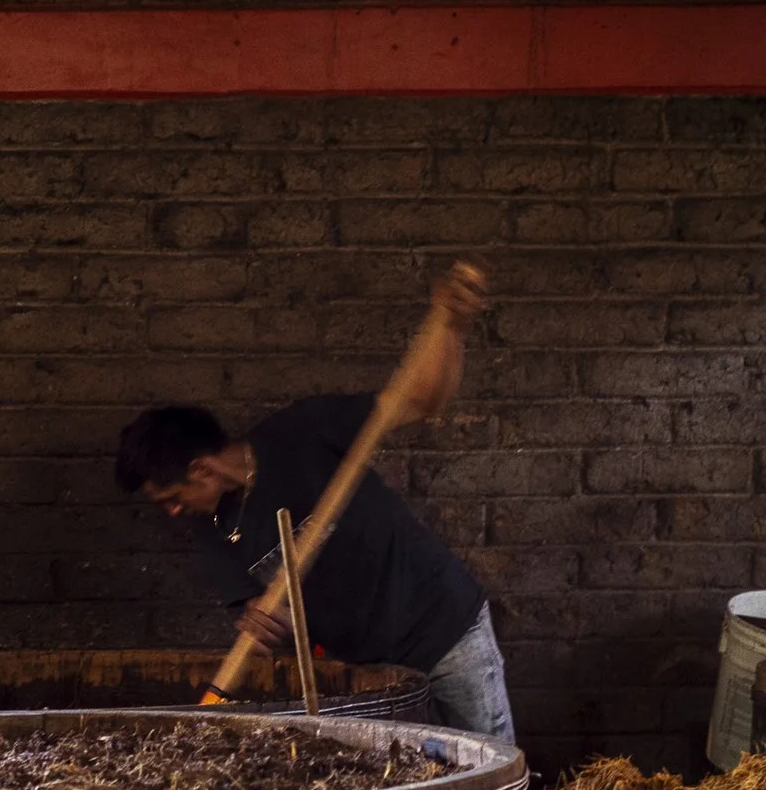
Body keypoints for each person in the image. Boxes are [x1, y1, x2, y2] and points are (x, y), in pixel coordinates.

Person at [112, 272, 514, 743]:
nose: (175, 513)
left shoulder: (302, 433)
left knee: (489, 762)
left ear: (201, 470)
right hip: (369, 672)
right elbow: (268, 623)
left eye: (171, 499)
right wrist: (266, 625)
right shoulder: (213, 528)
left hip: (445, 629)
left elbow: (420, 399)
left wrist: (450, 323)